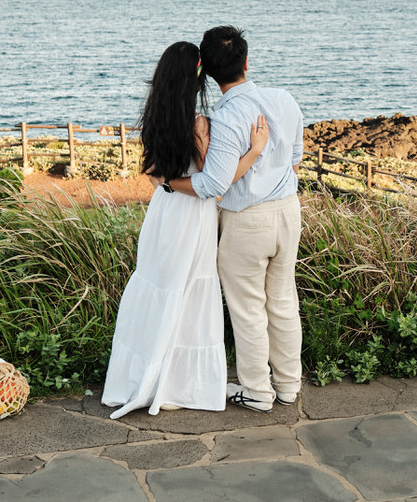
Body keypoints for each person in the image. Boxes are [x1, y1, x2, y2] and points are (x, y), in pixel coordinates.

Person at [102, 41, 269, 418]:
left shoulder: (154, 120)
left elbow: (158, 176)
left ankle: (143, 375)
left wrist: (168, 185)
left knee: (161, 284)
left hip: (163, 214)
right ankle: (181, 382)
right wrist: (255, 150)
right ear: (197, 79)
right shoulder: (197, 123)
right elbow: (217, 183)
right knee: (190, 291)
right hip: (193, 215)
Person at [163, 26, 305, 413]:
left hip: (247, 220)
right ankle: (289, 385)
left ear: (207, 73)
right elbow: (296, 158)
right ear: (246, 61)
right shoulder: (284, 99)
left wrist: (170, 183)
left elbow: (211, 184)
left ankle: (258, 391)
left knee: (247, 310)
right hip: (289, 212)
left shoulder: (224, 116)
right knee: (282, 300)